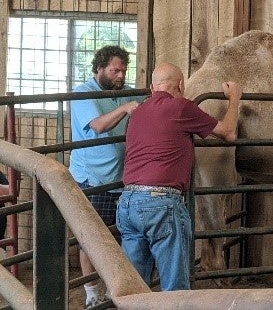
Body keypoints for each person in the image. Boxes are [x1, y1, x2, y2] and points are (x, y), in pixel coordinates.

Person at [116, 62, 242, 291]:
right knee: (175, 289)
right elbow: (228, 132)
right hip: (161, 203)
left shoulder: (138, 112)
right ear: (181, 85)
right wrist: (234, 100)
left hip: (127, 204)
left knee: (135, 287)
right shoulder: (181, 108)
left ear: (152, 88)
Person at [69, 45, 142, 308]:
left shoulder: (122, 93)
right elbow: (98, 126)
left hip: (122, 180)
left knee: (123, 236)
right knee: (90, 238)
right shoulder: (82, 94)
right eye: (115, 70)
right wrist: (125, 109)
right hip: (93, 179)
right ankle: (91, 294)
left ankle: (117, 290)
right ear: (99, 68)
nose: (120, 75)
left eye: (123, 70)